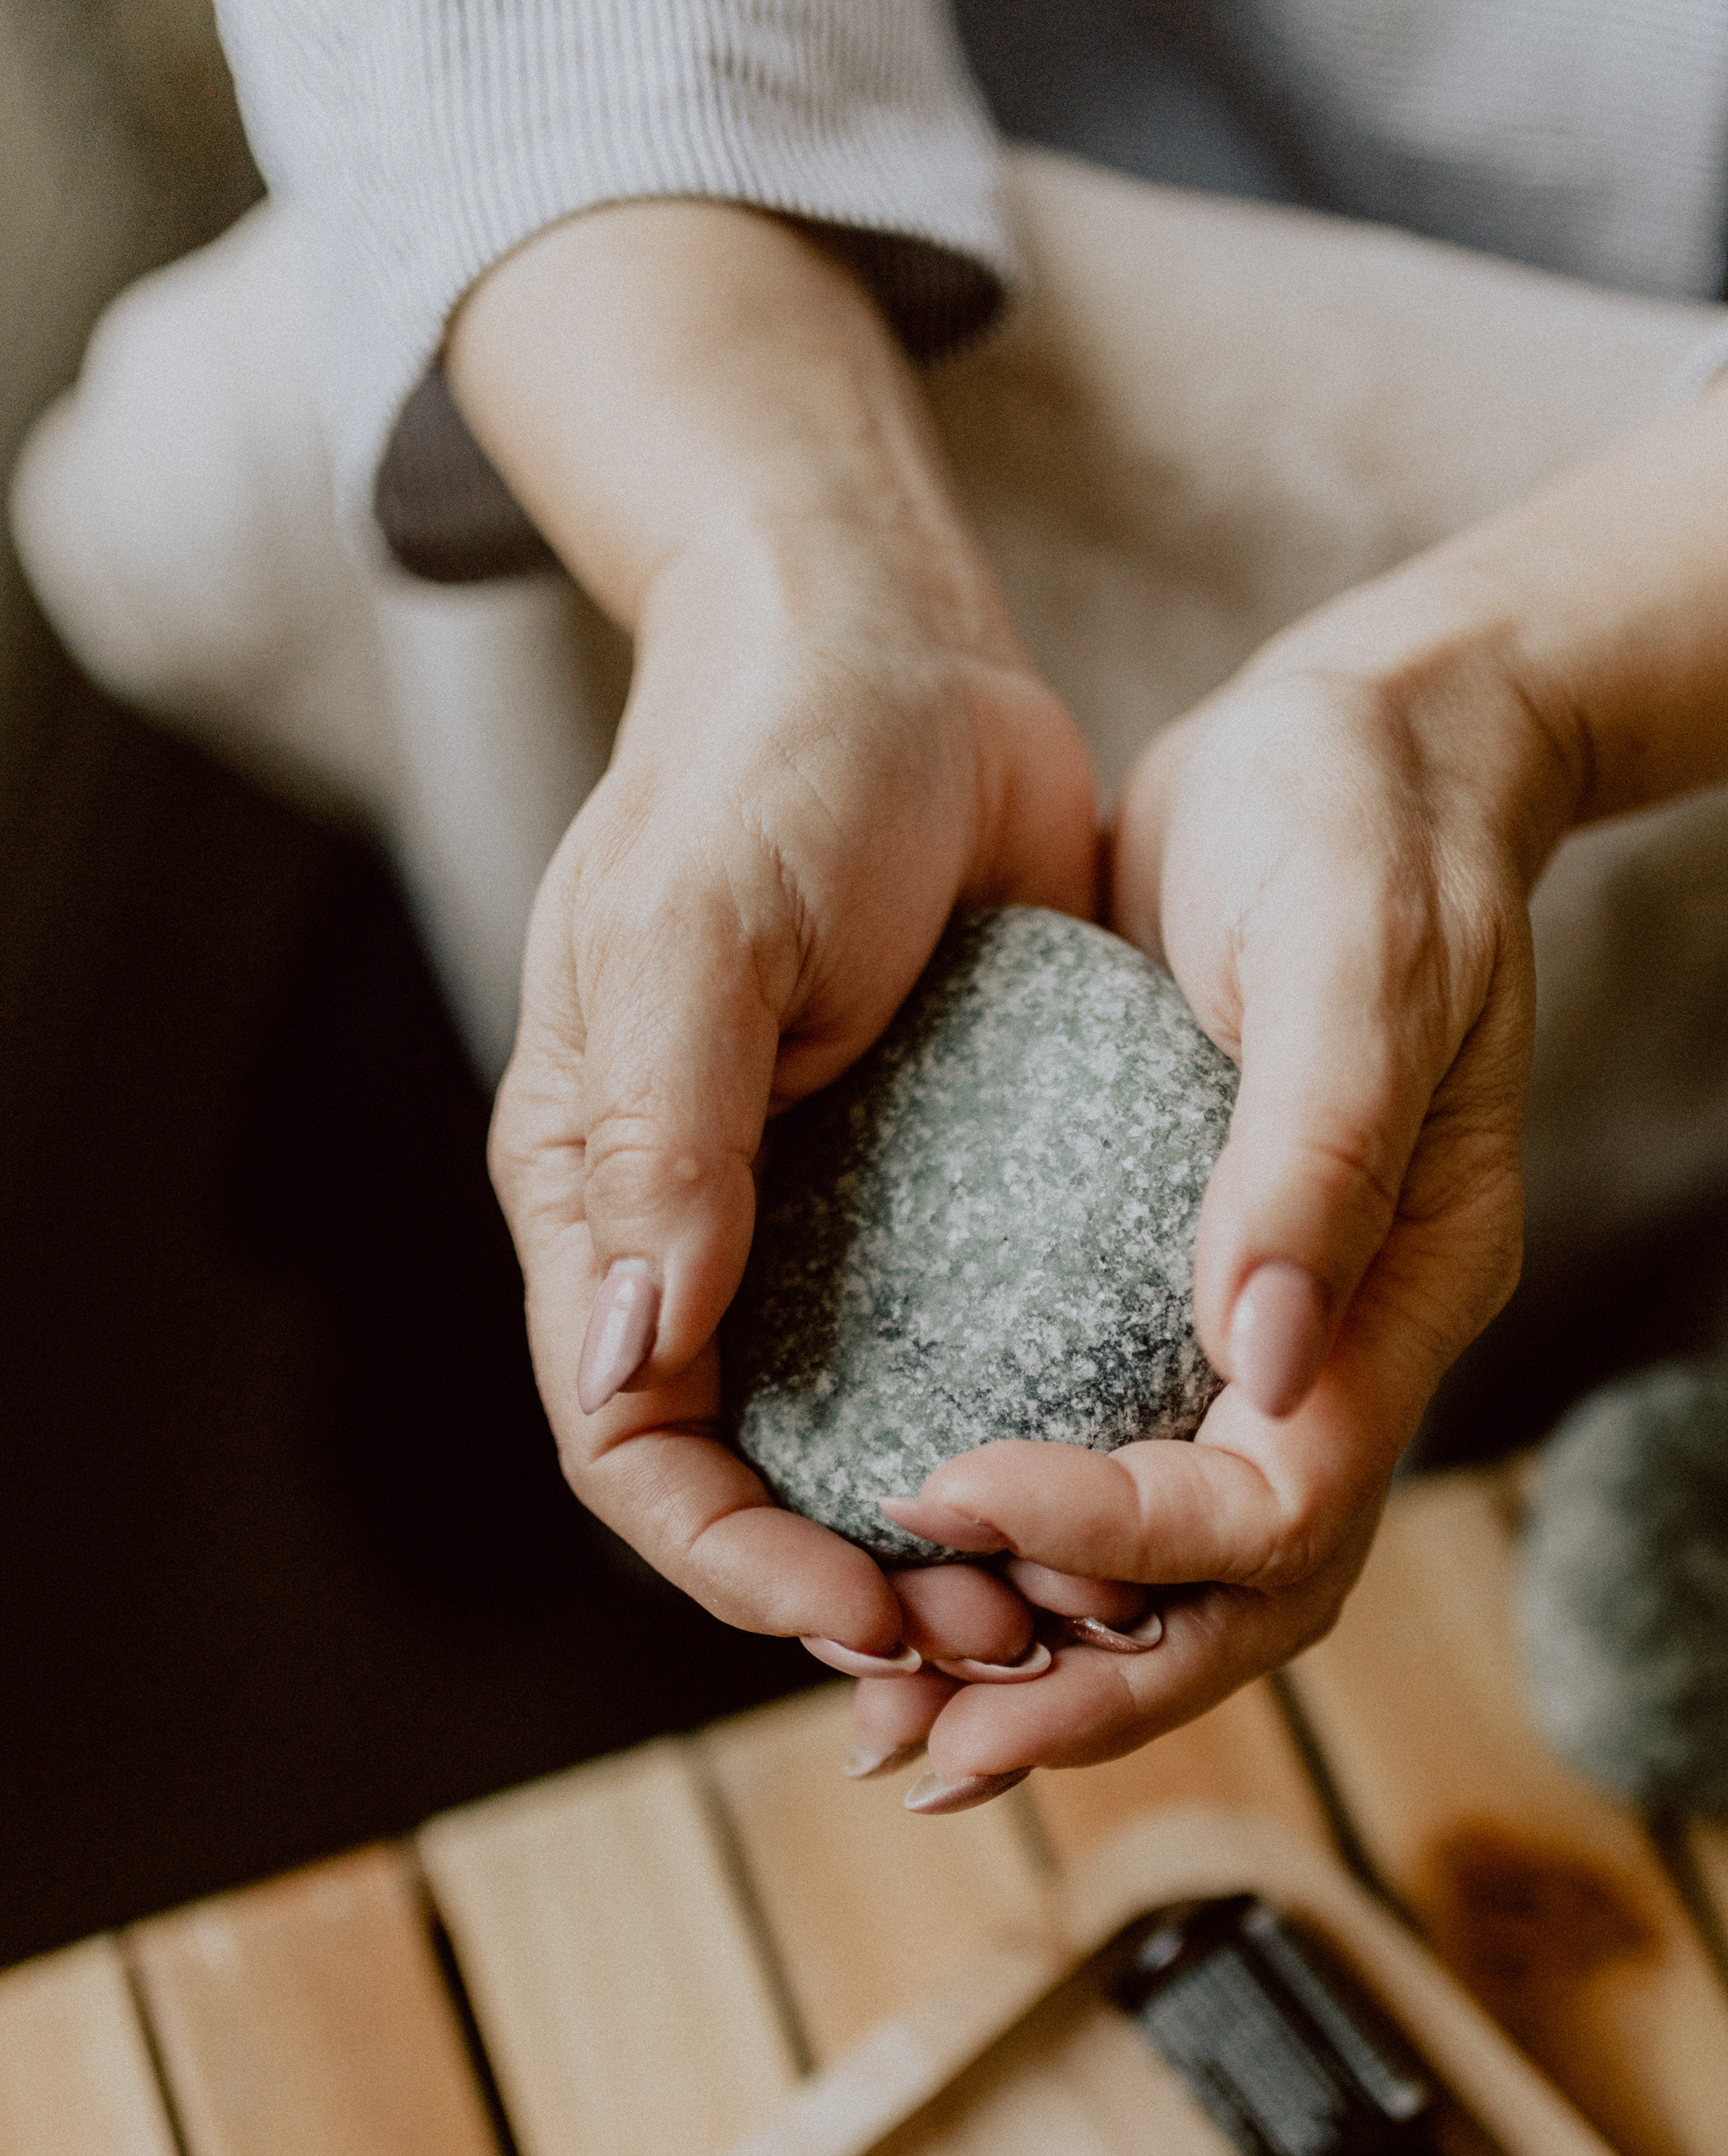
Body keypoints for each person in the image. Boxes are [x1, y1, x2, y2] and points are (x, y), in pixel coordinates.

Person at [41, 3, 1728, 1807]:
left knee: (1439, 1234)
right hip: (807, 253)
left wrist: (1500, 689)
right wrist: (784, 567)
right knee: (618, 1137)